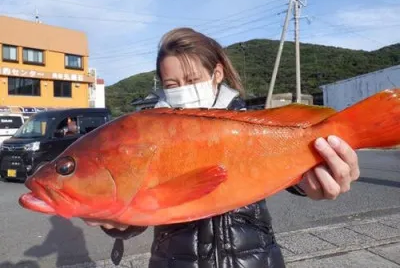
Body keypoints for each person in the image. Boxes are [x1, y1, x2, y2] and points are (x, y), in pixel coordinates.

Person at [84, 28, 360, 267]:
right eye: (172, 84)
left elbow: (290, 172)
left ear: (217, 73)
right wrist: (116, 221)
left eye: (192, 81)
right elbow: (142, 206)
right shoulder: (149, 136)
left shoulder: (251, 125)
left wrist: (316, 177)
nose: (183, 90)